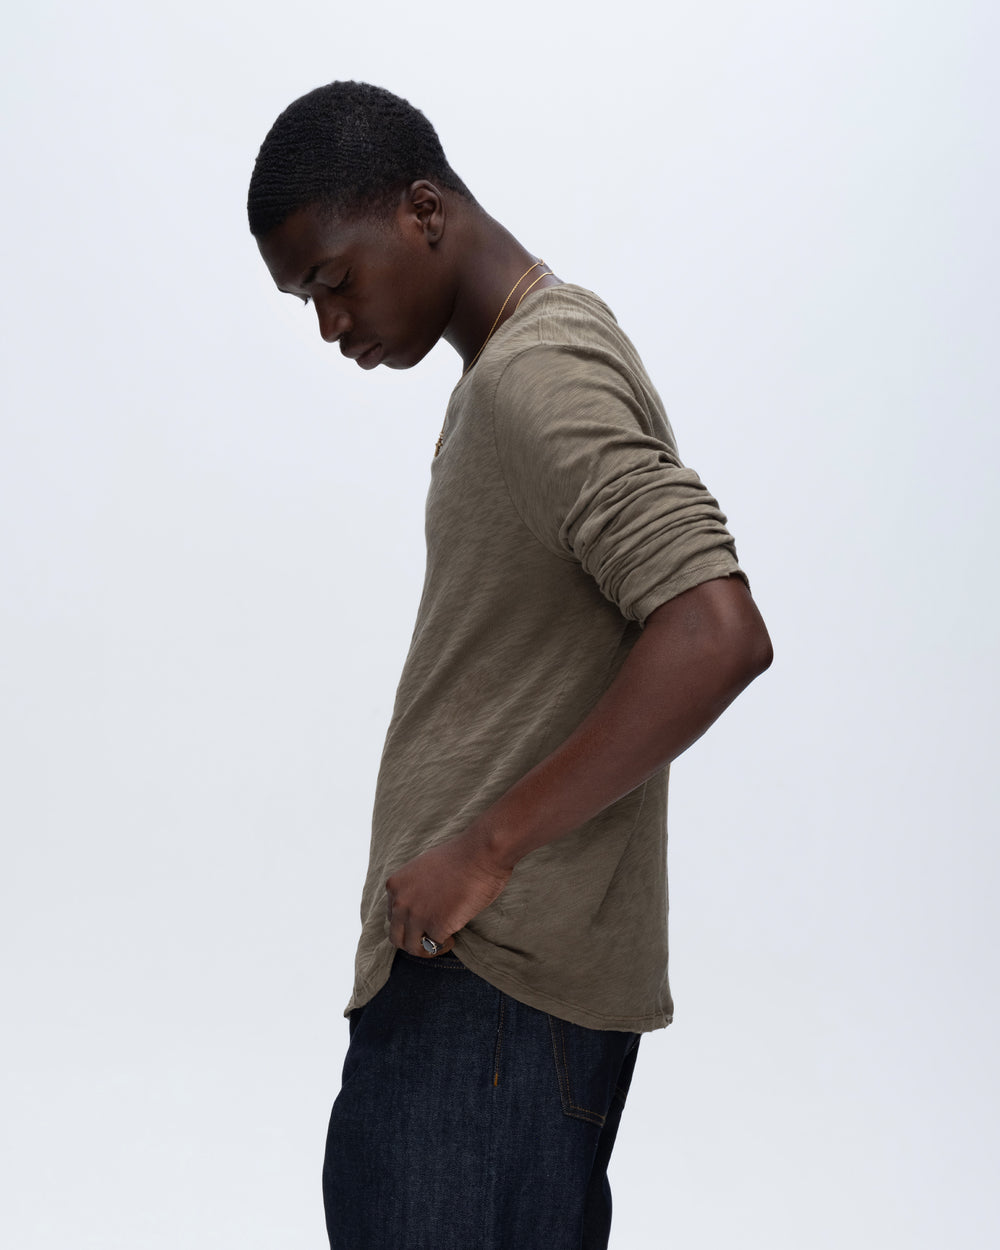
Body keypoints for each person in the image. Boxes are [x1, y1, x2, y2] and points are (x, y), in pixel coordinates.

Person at [247, 80, 772, 1250]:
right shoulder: (515, 370)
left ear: (423, 210)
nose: (328, 323)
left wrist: (483, 849)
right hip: (504, 1007)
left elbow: (714, 628)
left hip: (484, 1000)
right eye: (304, 300)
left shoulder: (539, 372)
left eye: (332, 279)